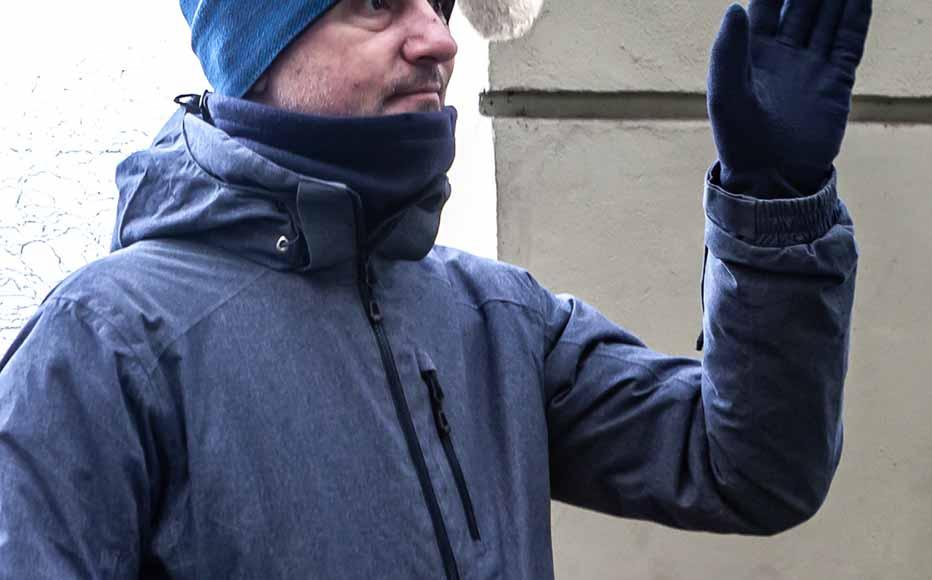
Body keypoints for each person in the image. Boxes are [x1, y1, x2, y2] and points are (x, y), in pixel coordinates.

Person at [0, 0, 871, 578]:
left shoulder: (499, 317)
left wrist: (775, 205)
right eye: (378, 1)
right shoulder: (100, 347)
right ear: (256, 47)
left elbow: (750, 470)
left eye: (439, 0)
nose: (439, 39)